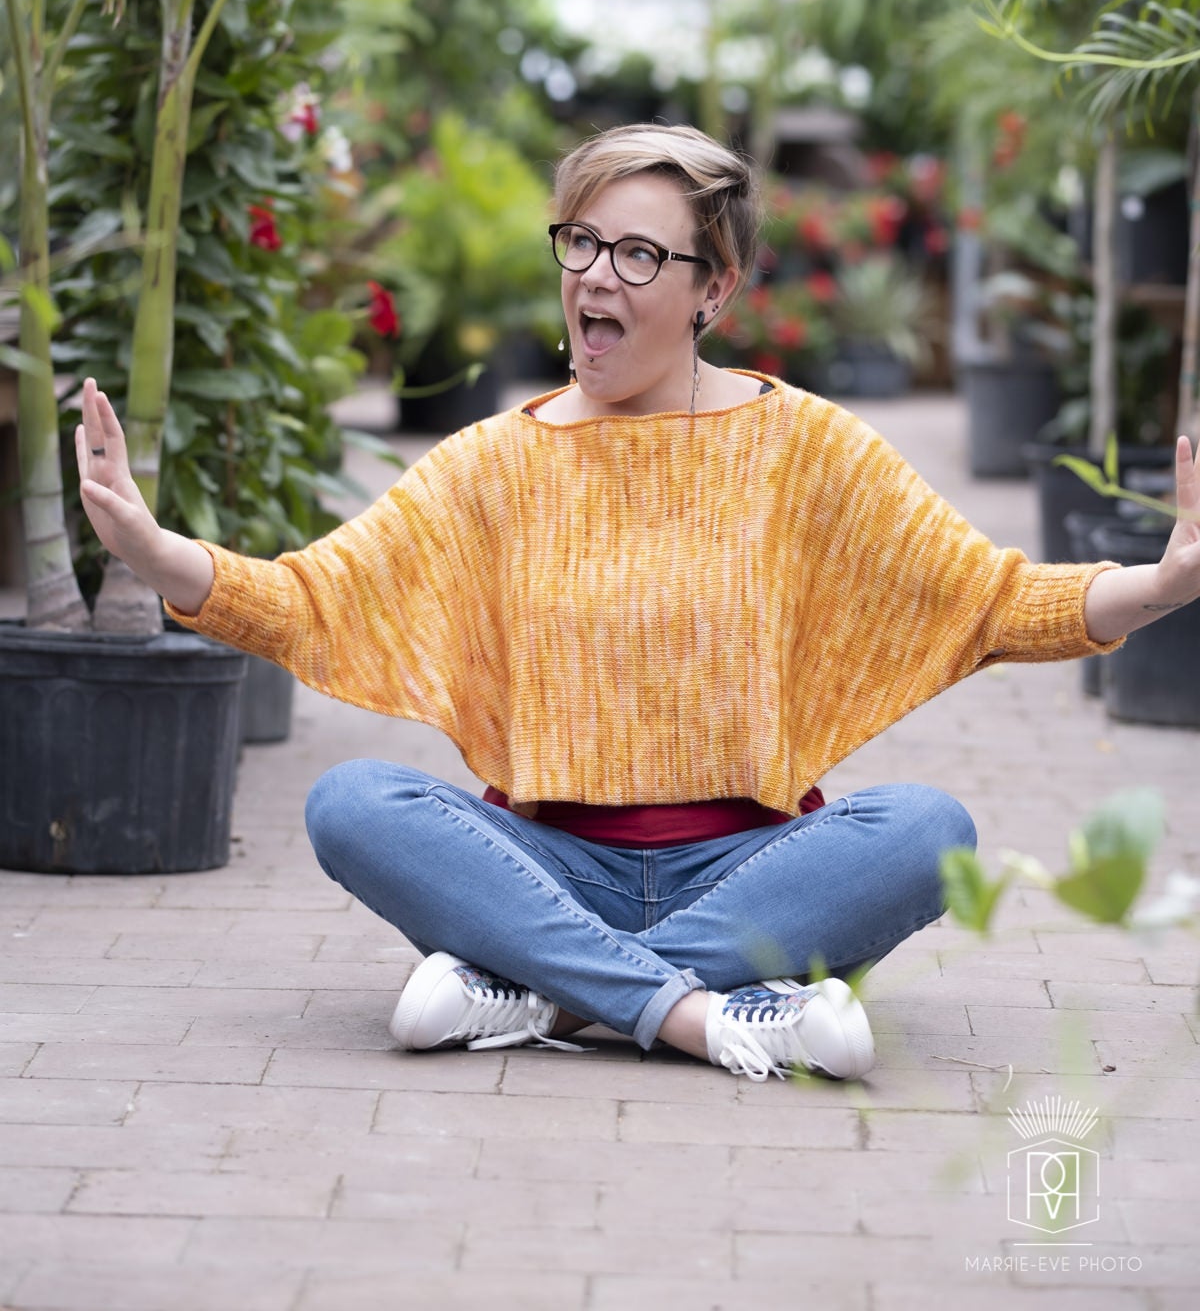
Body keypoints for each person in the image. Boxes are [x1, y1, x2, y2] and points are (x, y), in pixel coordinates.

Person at [77, 124, 1200, 1085]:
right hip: (545, 863)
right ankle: (711, 1014)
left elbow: (988, 599)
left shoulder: (800, 445)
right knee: (352, 802)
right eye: (581, 242)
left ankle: (547, 996)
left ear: (715, 287)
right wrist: (155, 550)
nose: (595, 278)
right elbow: (315, 600)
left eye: (638, 254)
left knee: (928, 831)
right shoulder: (495, 461)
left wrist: (1159, 585)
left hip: (749, 868)